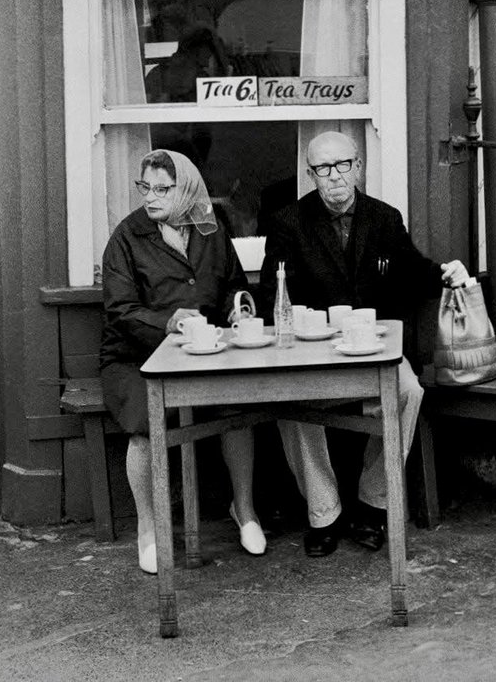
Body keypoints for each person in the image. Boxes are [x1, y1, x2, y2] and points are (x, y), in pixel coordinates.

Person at [258, 130, 472, 559]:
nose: (333, 176)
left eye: (342, 166)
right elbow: (271, 291)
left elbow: (412, 269)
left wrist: (445, 274)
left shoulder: (384, 218)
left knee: (408, 391)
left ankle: (372, 506)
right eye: (322, 168)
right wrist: (306, 324)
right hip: (315, 349)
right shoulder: (288, 223)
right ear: (311, 174)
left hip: (375, 347)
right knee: (290, 404)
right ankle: (324, 513)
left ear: (357, 167)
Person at [102, 148, 266, 574]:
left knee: (238, 410)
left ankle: (244, 510)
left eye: (162, 189)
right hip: (136, 356)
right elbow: (120, 310)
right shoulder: (126, 237)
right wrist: (167, 320)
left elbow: (230, 282)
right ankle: (149, 530)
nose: (151, 197)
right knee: (144, 424)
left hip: (203, 349)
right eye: (145, 188)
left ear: (187, 189)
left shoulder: (210, 231)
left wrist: (237, 307)